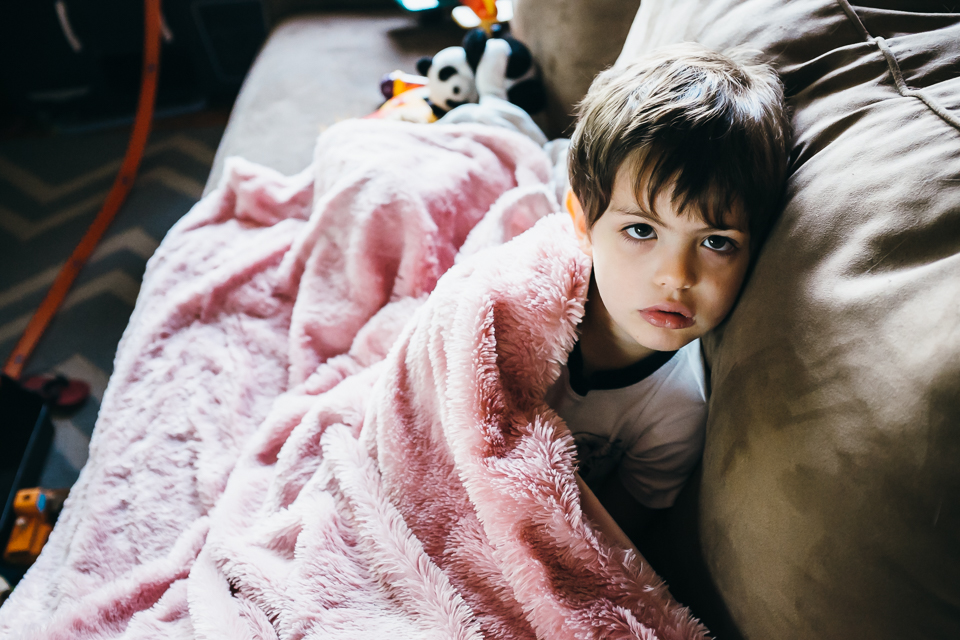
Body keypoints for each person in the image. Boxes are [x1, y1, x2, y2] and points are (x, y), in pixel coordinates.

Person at [549, 42, 790, 547]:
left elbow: (599, 548)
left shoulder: (678, 411)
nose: (676, 276)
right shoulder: (527, 313)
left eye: (715, 242)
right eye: (641, 231)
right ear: (582, 223)